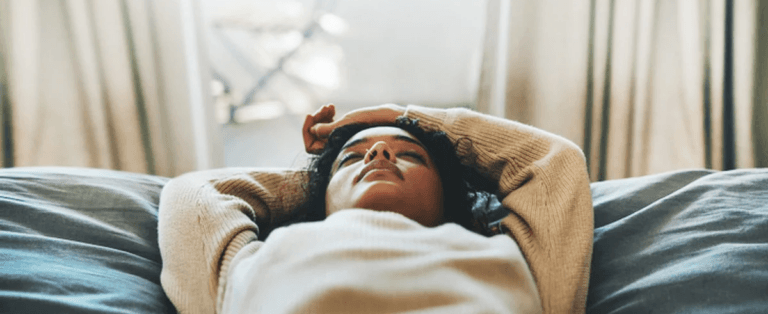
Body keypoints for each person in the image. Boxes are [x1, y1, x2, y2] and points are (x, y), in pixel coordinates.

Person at [158, 104, 593, 314]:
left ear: (449, 197)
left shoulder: (508, 256)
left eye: (411, 155)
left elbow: (554, 162)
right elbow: (194, 193)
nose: (380, 150)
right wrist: (314, 182)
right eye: (354, 157)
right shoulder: (259, 260)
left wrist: (399, 115)